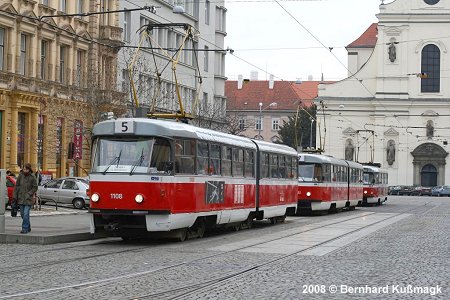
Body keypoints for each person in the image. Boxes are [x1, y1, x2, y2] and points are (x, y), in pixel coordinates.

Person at [12, 163, 38, 234]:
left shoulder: (32, 177)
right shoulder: (21, 176)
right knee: (23, 214)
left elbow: (35, 187)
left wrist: (29, 193)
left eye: (26, 169)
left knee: (26, 214)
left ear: (29, 169)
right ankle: (28, 226)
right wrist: (15, 196)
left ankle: (24, 228)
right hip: (20, 198)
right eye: (24, 169)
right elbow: (17, 186)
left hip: (28, 198)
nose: (24, 170)